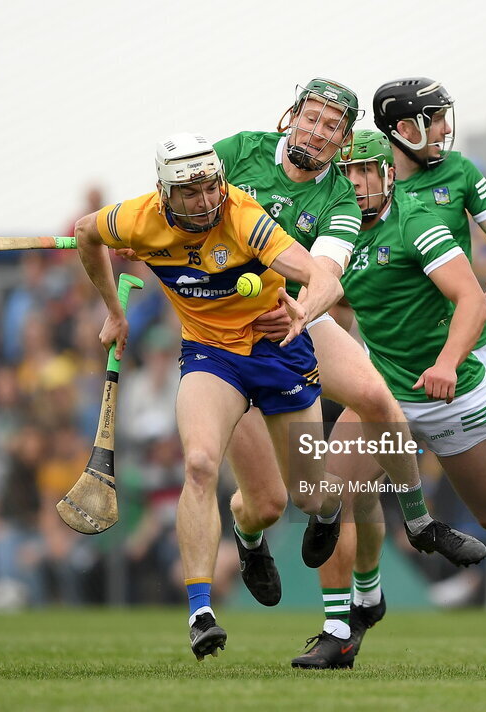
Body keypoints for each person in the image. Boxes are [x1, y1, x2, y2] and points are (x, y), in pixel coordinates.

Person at [161, 80, 486, 618]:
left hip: (291, 317)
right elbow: (178, 197)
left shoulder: (338, 194)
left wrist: (300, 312)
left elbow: (329, 276)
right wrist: (149, 230)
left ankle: (420, 520)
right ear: (292, 116)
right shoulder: (240, 150)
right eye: (312, 118)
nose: (317, 132)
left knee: (375, 398)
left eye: (332, 127)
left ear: (343, 141)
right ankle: (248, 540)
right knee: (265, 504)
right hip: (221, 338)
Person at [297, 128, 486, 672]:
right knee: (333, 493)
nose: (358, 182)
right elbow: (341, 305)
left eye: (368, 170)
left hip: (453, 388)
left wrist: (443, 364)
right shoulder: (336, 235)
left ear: (391, 172)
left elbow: (473, 304)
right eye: (348, 172)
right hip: (386, 393)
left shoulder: (417, 221)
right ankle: (342, 625)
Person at [75, 132, 346, 660]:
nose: (204, 202)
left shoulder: (244, 217)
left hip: (278, 352)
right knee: (199, 464)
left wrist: (304, 308)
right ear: (164, 193)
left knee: (301, 497)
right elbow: (87, 232)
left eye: (210, 188)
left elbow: (321, 277)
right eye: (190, 193)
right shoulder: (138, 218)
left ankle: (295, 522)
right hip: (210, 356)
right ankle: (200, 611)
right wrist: (114, 310)